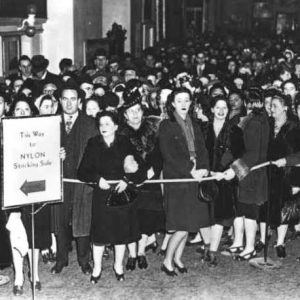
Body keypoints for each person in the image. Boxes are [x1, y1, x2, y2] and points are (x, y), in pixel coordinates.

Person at [77, 111, 146, 283]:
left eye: (108, 124)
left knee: (120, 233)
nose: (103, 128)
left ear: (116, 126)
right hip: (101, 195)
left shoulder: (124, 142)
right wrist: (97, 179)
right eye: (101, 124)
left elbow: (140, 168)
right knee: (99, 235)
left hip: (121, 195)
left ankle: (118, 266)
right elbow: (82, 171)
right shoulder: (93, 143)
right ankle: (97, 267)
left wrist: (127, 180)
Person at [159, 87, 210, 276]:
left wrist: (203, 168)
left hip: (196, 176)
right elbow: (169, 155)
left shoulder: (194, 123)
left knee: (190, 223)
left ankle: (178, 259)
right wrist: (191, 170)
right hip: (178, 178)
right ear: (172, 103)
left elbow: (203, 148)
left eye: (186, 100)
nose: (183, 104)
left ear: (191, 103)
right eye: (179, 100)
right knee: (181, 224)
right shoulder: (166, 125)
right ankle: (167, 260)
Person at [51, 83, 98, 275]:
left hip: (82, 180)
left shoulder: (89, 123)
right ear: (60, 101)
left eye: (73, 99)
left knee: (83, 219)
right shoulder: (52, 122)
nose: (69, 103)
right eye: (65, 99)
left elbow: (96, 152)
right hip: (59, 181)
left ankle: (84, 260)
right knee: (59, 220)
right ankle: (61, 259)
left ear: (80, 101)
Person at [6, 96, 48, 296]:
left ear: (32, 112)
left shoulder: (41, 132)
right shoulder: (4, 133)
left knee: (35, 235)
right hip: (11, 191)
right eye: (18, 110)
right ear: (12, 112)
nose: (22, 113)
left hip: (35, 190)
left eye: (26, 109)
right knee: (16, 234)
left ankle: (35, 273)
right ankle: (19, 277)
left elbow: (47, 159)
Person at [221, 89, 270, 261]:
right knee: (241, 209)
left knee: (250, 212)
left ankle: (249, 248)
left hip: (252, 173)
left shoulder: (256, 122)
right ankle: (239, 243)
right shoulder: (253, 120)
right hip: (247, 171)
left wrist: (233, 169)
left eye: (253, 101)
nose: (251, 105)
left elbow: (253, 154)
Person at [119, 89, 165, 270]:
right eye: (131, 111)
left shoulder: (153, 128)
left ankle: (141, 252)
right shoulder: (121, 133)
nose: (136, 114)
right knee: (131, 218)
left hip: (150, 180)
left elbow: (160, 154)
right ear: (125, 114)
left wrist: (153, 170)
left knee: (148, 218)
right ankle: (131, 253)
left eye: (138, 110)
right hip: (131, 180)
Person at [201, 95, 244, 267]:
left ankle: (212, 251)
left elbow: (240, 154)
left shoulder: (235, 131)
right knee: (204, 215)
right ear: (211, 109)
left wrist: (229, 171)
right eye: (217, 107)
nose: (221, 111)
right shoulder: (202, 129)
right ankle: (206, 245)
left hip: (225, 179)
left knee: (219, 216)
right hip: (205, 177)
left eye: (224, 108)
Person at [257, 93, 300, 258]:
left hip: (285, 174)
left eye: (275, 105)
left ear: (285, 108)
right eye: (269, 105)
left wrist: (287, 160)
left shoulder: (294, 127)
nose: (271, 108)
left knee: (283, 208)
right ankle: (262, 239)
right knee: (264, 205)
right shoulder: (267, 125)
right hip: (266, 173)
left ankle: (280, 242)